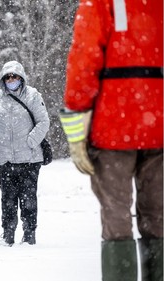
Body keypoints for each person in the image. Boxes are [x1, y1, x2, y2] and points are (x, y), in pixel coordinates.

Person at [60, 0, 163, 280]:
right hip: (159, 124)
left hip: (113, 127)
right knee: (158, 218)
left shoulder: (100, 3)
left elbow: (83, 61)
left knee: (116, 216)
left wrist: (77, 123)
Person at [0, 61, 50, 246]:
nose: (11, 80)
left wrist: (30, 141)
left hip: (29, 158)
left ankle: (29, 234)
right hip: (5, 158)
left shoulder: (33, 95)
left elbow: (43, 122)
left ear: (21, 78)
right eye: (7, 77)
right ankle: (8, 234)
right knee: (8, 199)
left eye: (14, 76)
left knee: (28, 199)